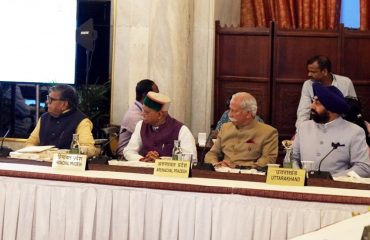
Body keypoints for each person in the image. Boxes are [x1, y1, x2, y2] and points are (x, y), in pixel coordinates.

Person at [293, 82, 370, 177]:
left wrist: (332, 179)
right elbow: (293, 158)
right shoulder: (304, 127)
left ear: (331, 109)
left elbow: (363, 168)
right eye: (312, 101)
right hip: (302, 187)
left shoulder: (354, 132)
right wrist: (298, 176)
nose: (311, 106)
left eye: (317, 103)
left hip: (336, 189)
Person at [204, 92, 278, 168]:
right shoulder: (225, 128)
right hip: (222, 173)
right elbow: (211, 154)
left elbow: (268, 160)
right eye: (230, 109)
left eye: (234, 111)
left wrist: (238, 167)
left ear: (248, 114)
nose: (229, 114)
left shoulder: (268, 132)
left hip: (249, 176)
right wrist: (216, 164)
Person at [123, 92, 197, 162]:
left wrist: (160, 161)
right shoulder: (141, 125)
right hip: (145, 171)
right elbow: (128, 151)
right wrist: (144, 159)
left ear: (159, 115)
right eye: (143, 110)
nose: (142, 114)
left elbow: (191, 158)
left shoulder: (181, 130)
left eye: (147, 112)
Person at [26, 84, 97, 157]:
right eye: (48, 98)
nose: (47, 102)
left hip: (66, 165)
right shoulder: (44, 117)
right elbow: (30, 143)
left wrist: (62, 153)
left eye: (51, 99)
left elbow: (89, 149)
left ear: (64, 104)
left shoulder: (81, 121)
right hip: (41, 163)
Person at [296, 55, 357, 129]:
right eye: (308, 71)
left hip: (342, 127)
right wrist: (299, 131)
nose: (309, 74)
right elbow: (303, 112)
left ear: (324, 71)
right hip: (317, 127)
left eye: (313, 72)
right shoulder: (308, 84)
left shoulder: (346, 82)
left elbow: (353, 108)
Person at [116, 79, 159, 158]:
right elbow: (150, 139)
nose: (158, 98)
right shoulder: (134, 115)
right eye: (156, 94)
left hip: (140, 154)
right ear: (145, 95)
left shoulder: (140, 110)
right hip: (125, 158)